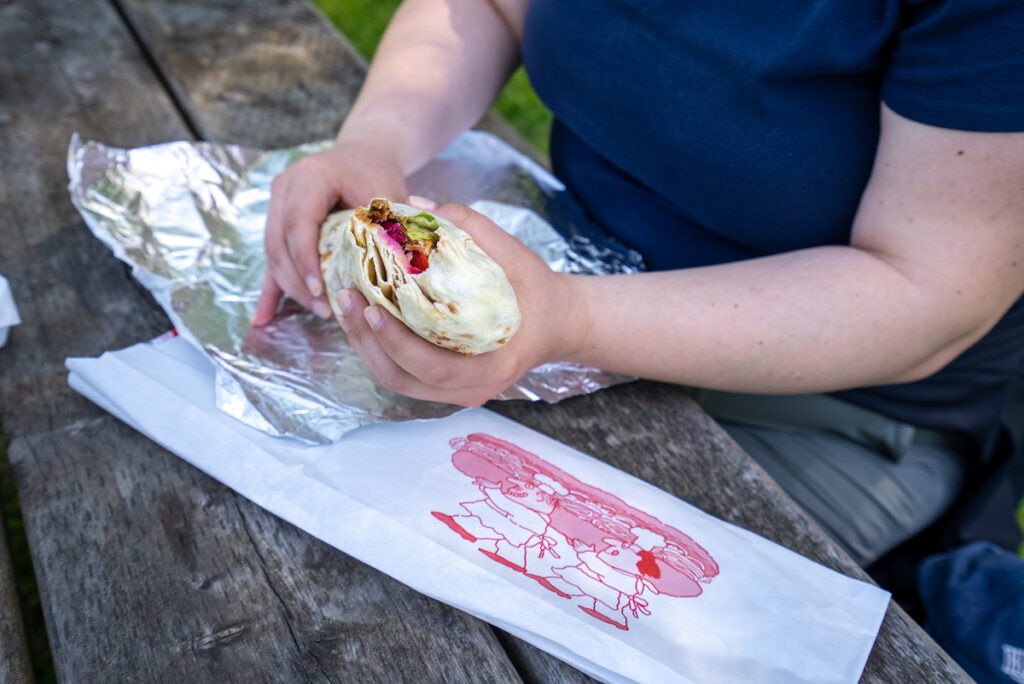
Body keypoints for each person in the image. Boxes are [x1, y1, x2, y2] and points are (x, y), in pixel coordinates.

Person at [252, 0, 1024, 566]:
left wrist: (566, 318)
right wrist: (375, 140)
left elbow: (927, 296)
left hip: (822, 413)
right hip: (567, 279)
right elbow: (486, 8)